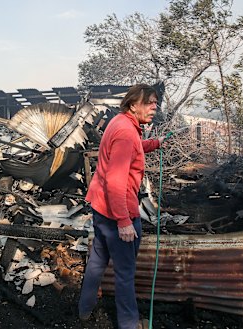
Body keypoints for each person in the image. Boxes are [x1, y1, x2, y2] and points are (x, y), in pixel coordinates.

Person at [78, 84, 165, 329]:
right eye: (149, 102)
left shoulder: (120, 123)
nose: (154, 107)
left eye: (155, 103)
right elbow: (116, 180)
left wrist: (154, 143)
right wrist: (124, 221)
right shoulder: (127, 132)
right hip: (119, 211)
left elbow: (132, 147)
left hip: (101, 208)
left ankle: (84, 310)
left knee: (97, 262)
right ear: (133, 104)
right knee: (125, 274)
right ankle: (129, 324)